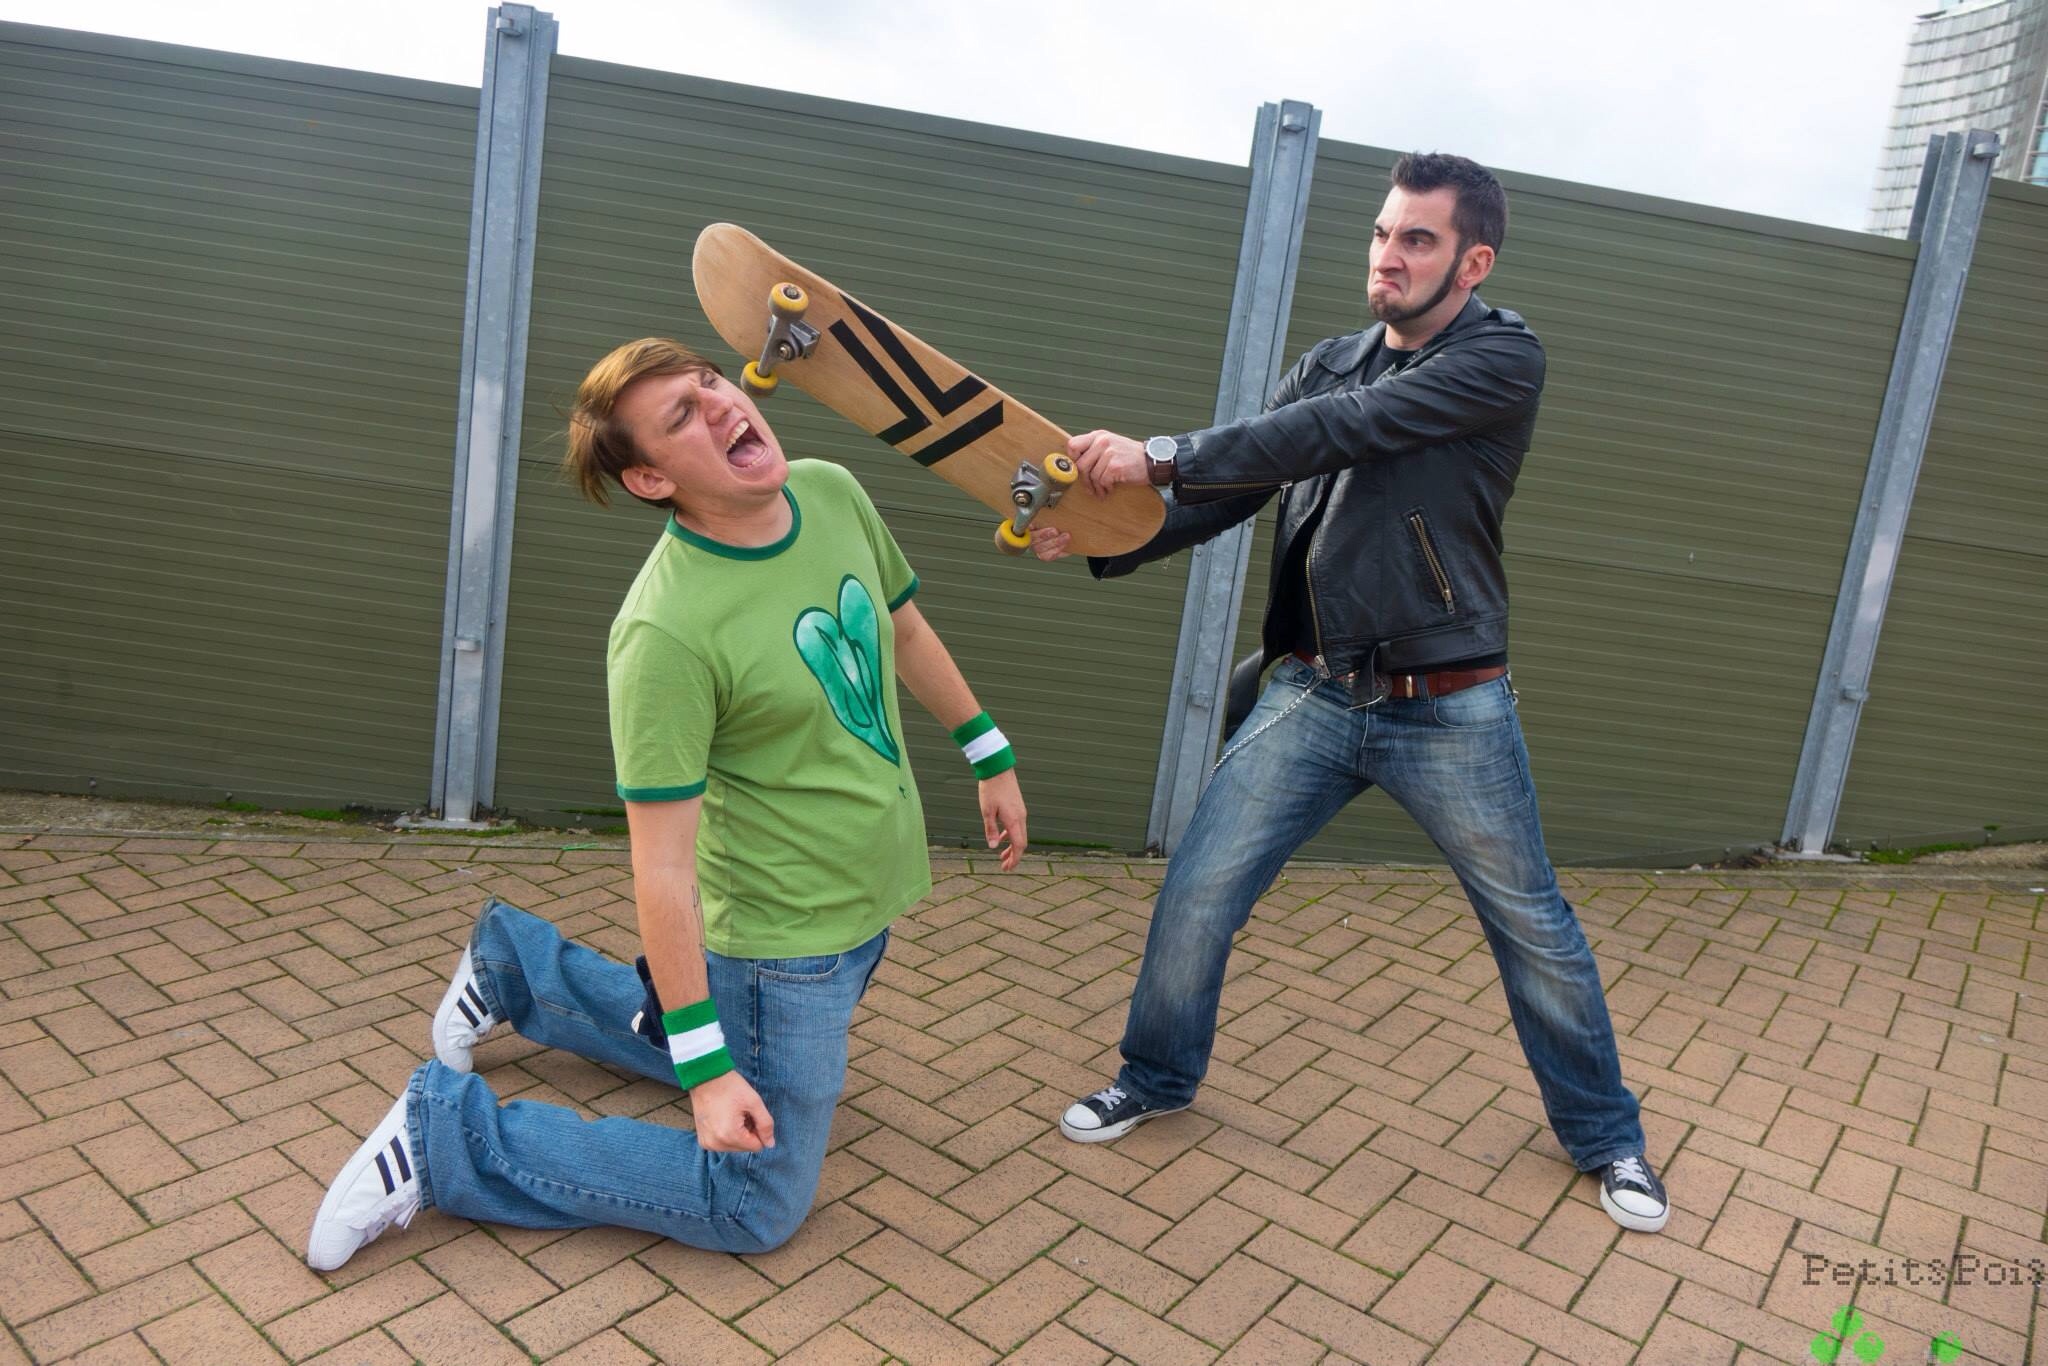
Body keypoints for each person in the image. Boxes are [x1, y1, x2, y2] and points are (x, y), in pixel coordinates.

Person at [1034, 153, 1669, 1234]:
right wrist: (1105, 534)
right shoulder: (1327, 363)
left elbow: (1339, 432)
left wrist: (1161, 452)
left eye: (1417, 239)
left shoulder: (1500, 360)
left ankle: (1606, 1134)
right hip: (1313, 695)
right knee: (1198, 890)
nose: (1387, 255)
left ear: (1472, 262)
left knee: (1532, 927)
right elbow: (1240, 483)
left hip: (1449, 704)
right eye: (1381, 233)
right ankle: (1155, 1077)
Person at [306, 338, 1029, 1269]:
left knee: (732, 1049)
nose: (722, 404)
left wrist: (987, 751)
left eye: (710, 382)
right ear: (651, 481)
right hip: (782, 941)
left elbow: (903, 626)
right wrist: (709, 1075)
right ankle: (446, 1137)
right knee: (754, 1203)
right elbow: (662, 869)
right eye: (683, 415)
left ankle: (516, 967)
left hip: (866, 895)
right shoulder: (664, 631)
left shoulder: (831, 491)